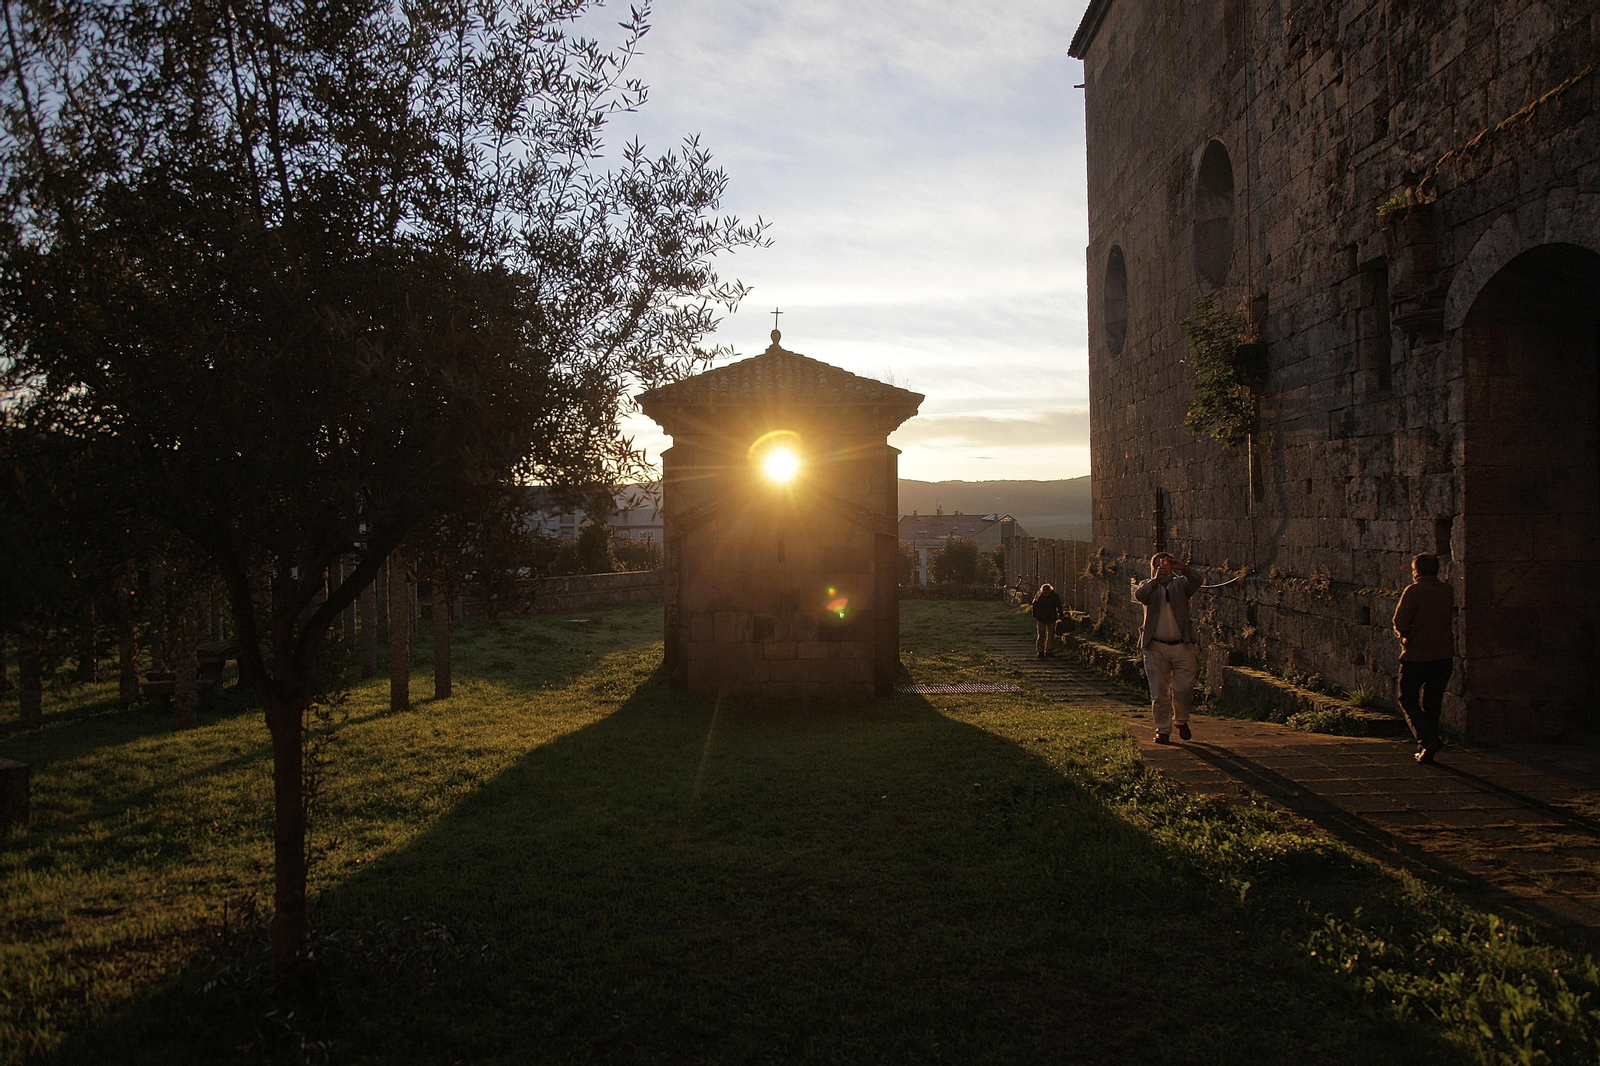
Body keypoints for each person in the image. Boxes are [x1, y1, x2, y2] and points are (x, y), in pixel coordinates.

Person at [1133, 553, 1207, 744]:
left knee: (1184, 688)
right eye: (1158, 565)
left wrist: (1184, 568)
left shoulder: (1181, 585)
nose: (1163, 568)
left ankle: (1181, 720)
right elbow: (1139, 595)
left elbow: (1198, 581)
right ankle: (1162, 730)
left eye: (1166, 564)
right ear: (1153, 568)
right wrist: (1156, 581)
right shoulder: (1148, 586)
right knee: (1159, 692)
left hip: (1182, 645)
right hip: (1156, 646)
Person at [1392, 552, 1454, 764]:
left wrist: (1406, 635)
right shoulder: (1447, 591)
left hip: (1417, 655)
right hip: (1444, 655)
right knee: (1432, 703)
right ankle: (1428, 748)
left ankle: (1427, 739)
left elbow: (1400, 623)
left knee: (1407, 698)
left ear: (1416, 570)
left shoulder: (1414, 591)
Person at [1030, 582, 1063, 657]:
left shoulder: (1053, 596)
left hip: (1050, 618)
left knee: (1049, 635)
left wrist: (1061, 614)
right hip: (1043, 618)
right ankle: (1041, 651)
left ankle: (1048, 651)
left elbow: (1059, 606)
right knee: (1042, 635)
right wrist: (1035, 615)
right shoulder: (1039, 596)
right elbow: (1034, 606)